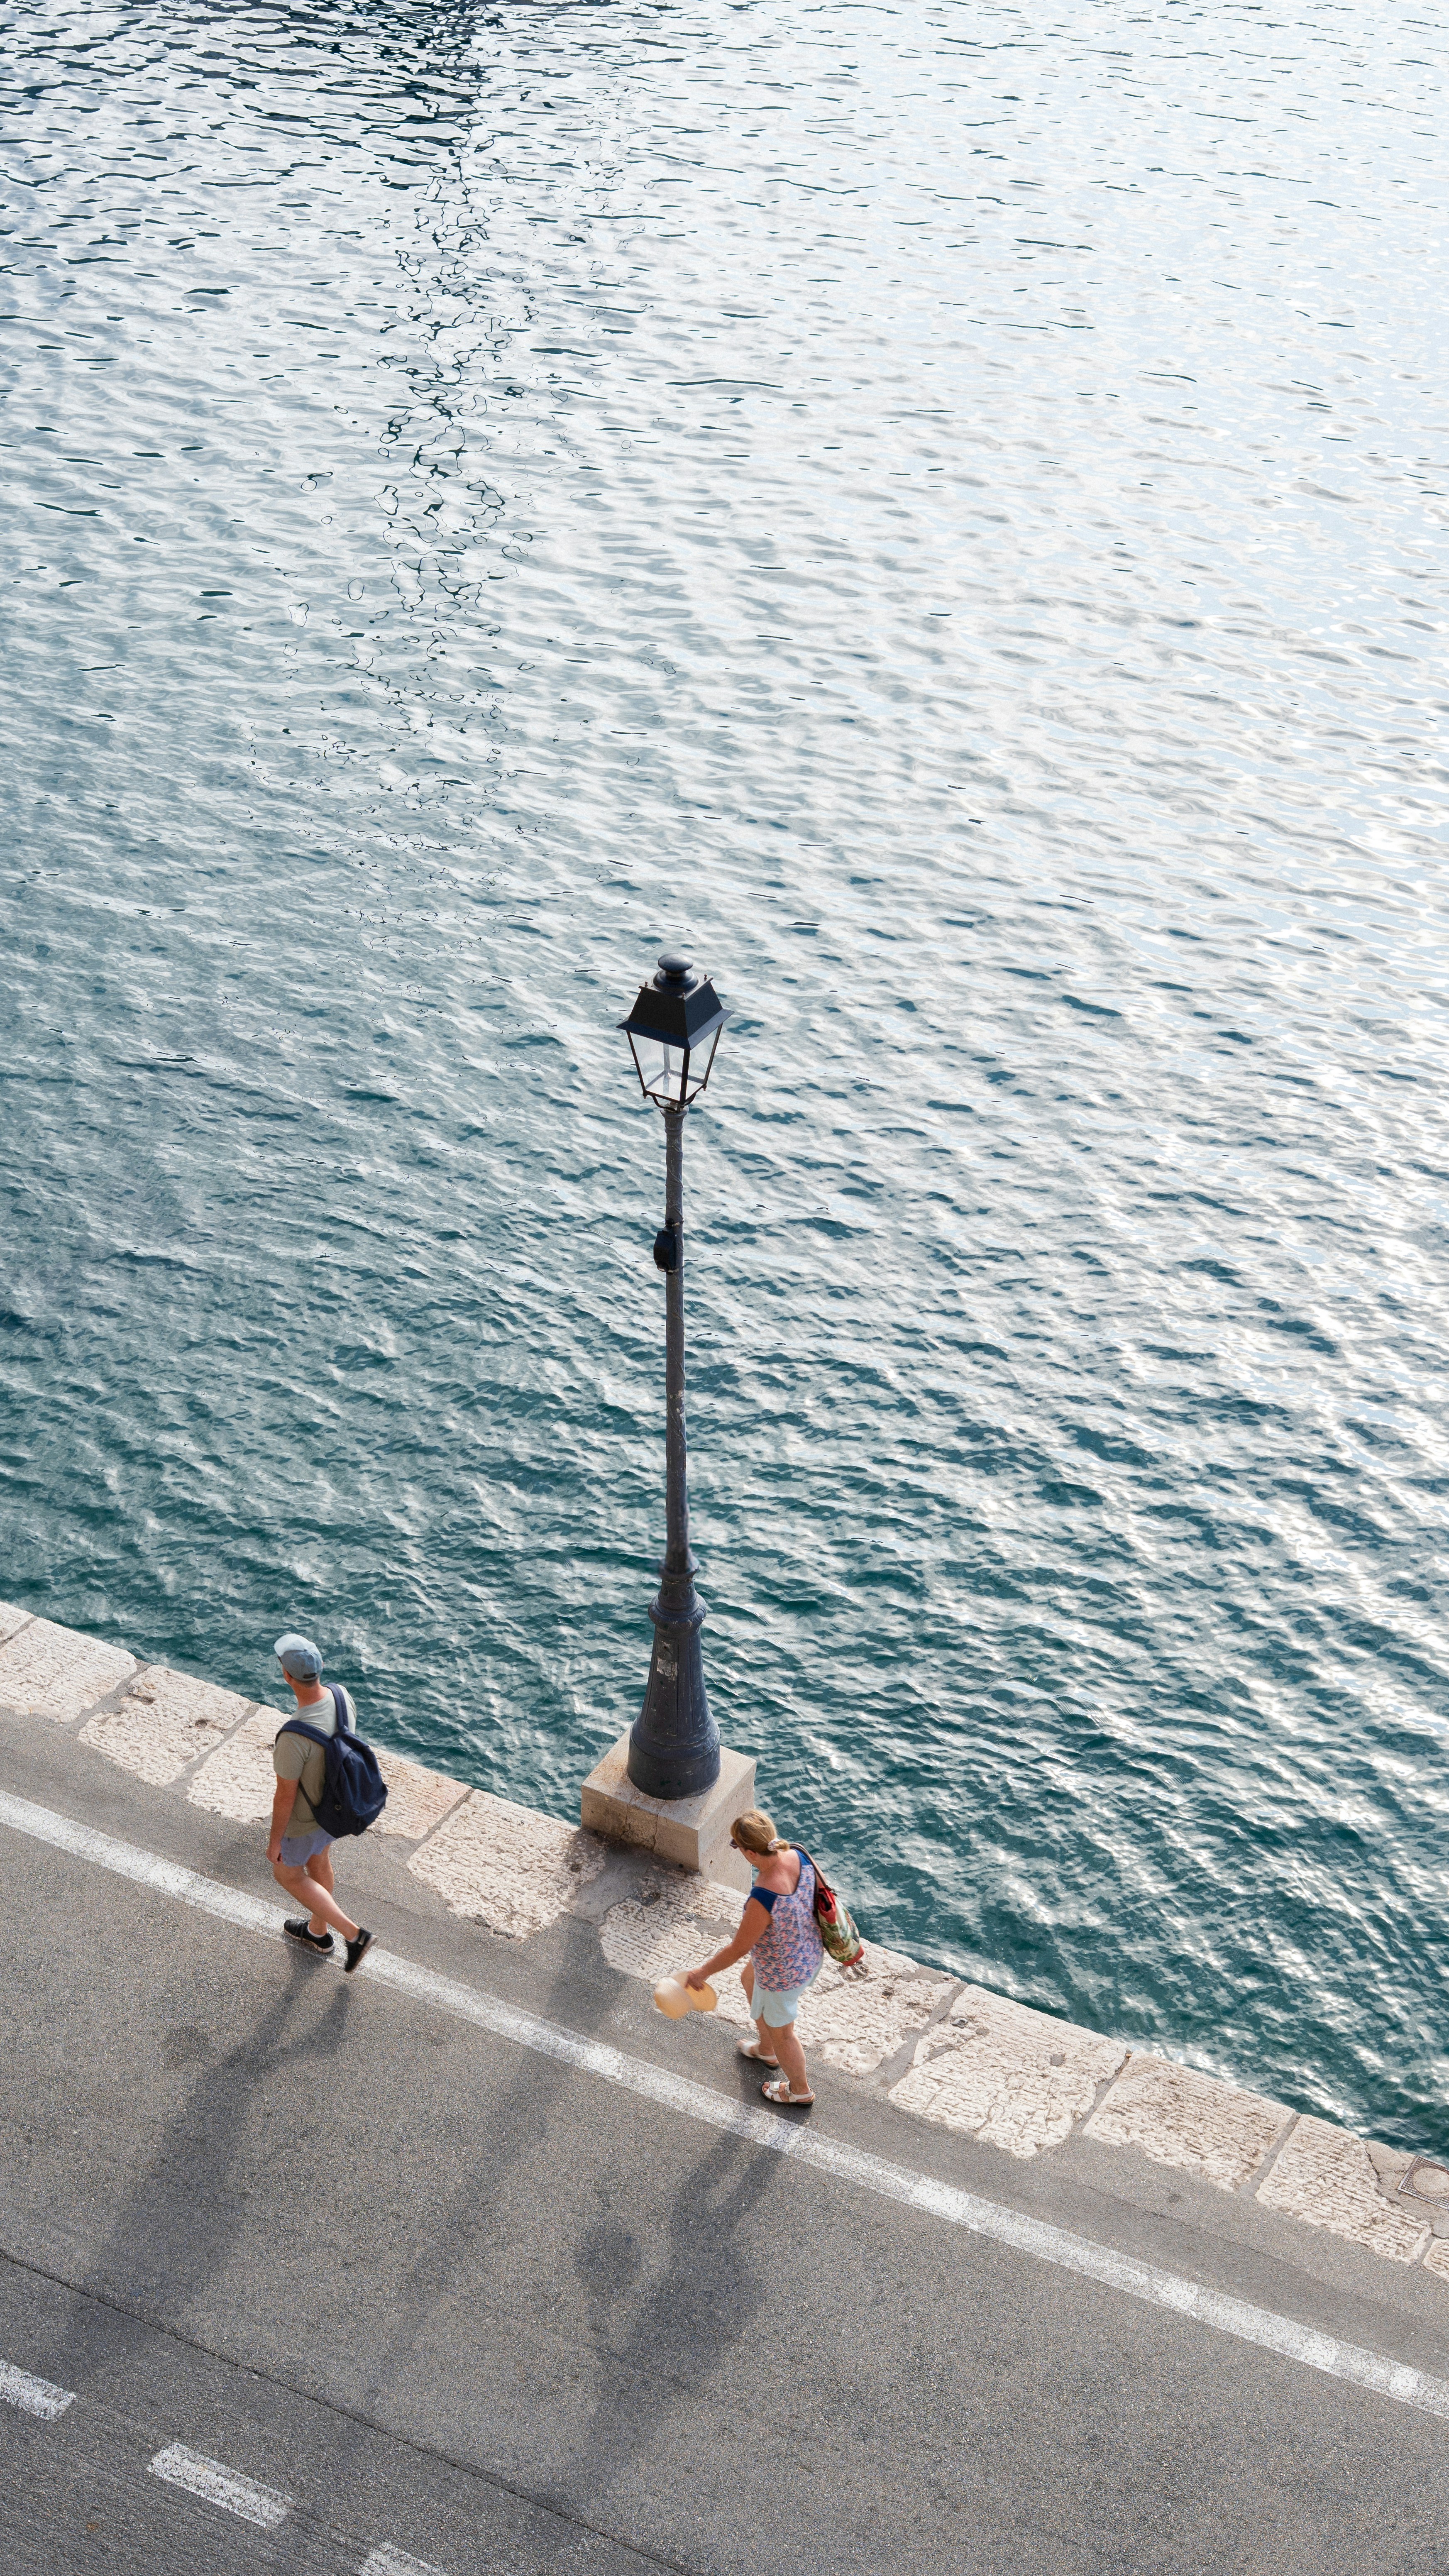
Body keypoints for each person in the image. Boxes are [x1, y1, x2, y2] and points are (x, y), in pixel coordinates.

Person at [684, 1809, 824, 2107]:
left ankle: (799, 2090)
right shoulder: (798, 1855)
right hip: (808, 1951)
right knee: (749, 1976)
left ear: (749, 1852)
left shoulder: (763, 1896)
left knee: (785, 2035)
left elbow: (737, 1948)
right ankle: (766, 2049)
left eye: (736, 1846)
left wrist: (702, 1973)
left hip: (783, 1975)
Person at [268, 1632, 374, 1975]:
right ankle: (318, 1933)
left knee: (288, 1875)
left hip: (305, 1821)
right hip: (338, 1808)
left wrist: (274, 1842)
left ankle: (353, 1935)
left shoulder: (294, 1735)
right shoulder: (342, 1696)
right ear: (321, 1666)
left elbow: (285, 1796)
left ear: (286, 1675)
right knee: (319, 1862)